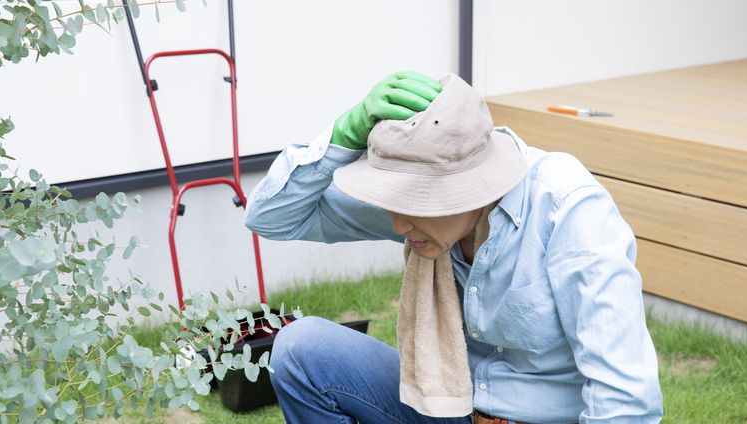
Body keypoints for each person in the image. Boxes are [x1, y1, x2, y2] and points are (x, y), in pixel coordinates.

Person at [244, 71, 663, 424]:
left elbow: (624, 396)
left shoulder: (568, 211)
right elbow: (271, 216)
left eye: (415, 204)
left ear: (472, 190)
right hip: (450, 404)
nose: (397, 224)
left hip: (543, 416)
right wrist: (343, 132)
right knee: (301, 349)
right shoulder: (416, 212)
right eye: (393, 202)